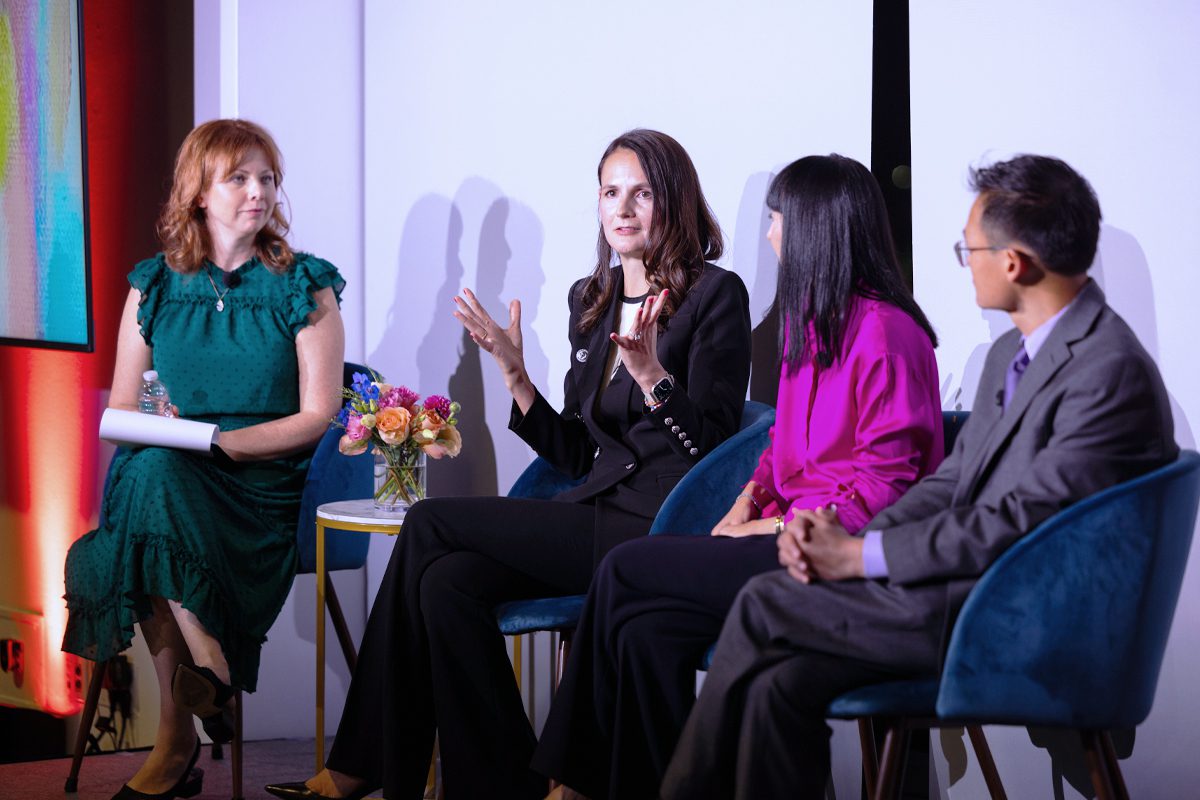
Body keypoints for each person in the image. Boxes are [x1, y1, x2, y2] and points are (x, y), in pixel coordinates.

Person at [660, 154, 1178, 800]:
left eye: (971, 250)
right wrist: (841, 533)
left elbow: (1015, 524)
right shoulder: (1011, 355)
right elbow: (952, 481)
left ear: (1014, 264)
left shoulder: (1106, 372)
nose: (966, 264)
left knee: (765, 601)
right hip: (969, 591)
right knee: (778, 684)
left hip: (1023, 617)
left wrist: (859, 556)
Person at [265, 129, 751, 800]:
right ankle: (503, 784)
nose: (623, 208)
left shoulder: (715, 296)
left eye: (642, 194)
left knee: (429, 523)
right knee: (447, 585)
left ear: (675, 201)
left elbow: (715, 446)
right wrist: (517, 377)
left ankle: (362, 763)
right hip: (595, 510)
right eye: (610, 192)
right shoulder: (593, 298)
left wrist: (652, 377)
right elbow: (579, 452)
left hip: (659, 525)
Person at [531, 154, 944, 799]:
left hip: (833, 558)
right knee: (644, 631)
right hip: (782, 536)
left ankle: (571, 784)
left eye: (778, 220)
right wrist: (745, 502)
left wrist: (769, 528)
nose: (771, 234)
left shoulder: (887, 336)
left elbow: (882, 493)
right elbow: (781, 446)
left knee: (625, 569)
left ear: (815, 230)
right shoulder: (814, 326)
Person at [62, 119, 346, 800]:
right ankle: (210, 670)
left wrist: (223, 443)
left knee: (145, 499)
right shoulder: (153, 286)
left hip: (260, 486)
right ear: (198, 192)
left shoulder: (304, 286)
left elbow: (317, 416)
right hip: (175, 474)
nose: (258, 192)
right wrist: (176, 435)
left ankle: (179, 736)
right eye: (239, 178)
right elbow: (124, 408)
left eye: (267, 178)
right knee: (151, 473)